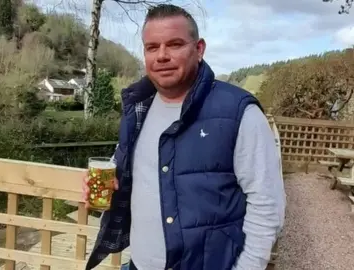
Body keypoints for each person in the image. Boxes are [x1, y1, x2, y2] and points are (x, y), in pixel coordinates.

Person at [84, 4, 286, 270]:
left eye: (175, 44)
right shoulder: (139, 108)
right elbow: (128, 170)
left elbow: (267, 206)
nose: (162, 56)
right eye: (152, 47)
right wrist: (104, 188)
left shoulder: (239, 113)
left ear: (199, 49)